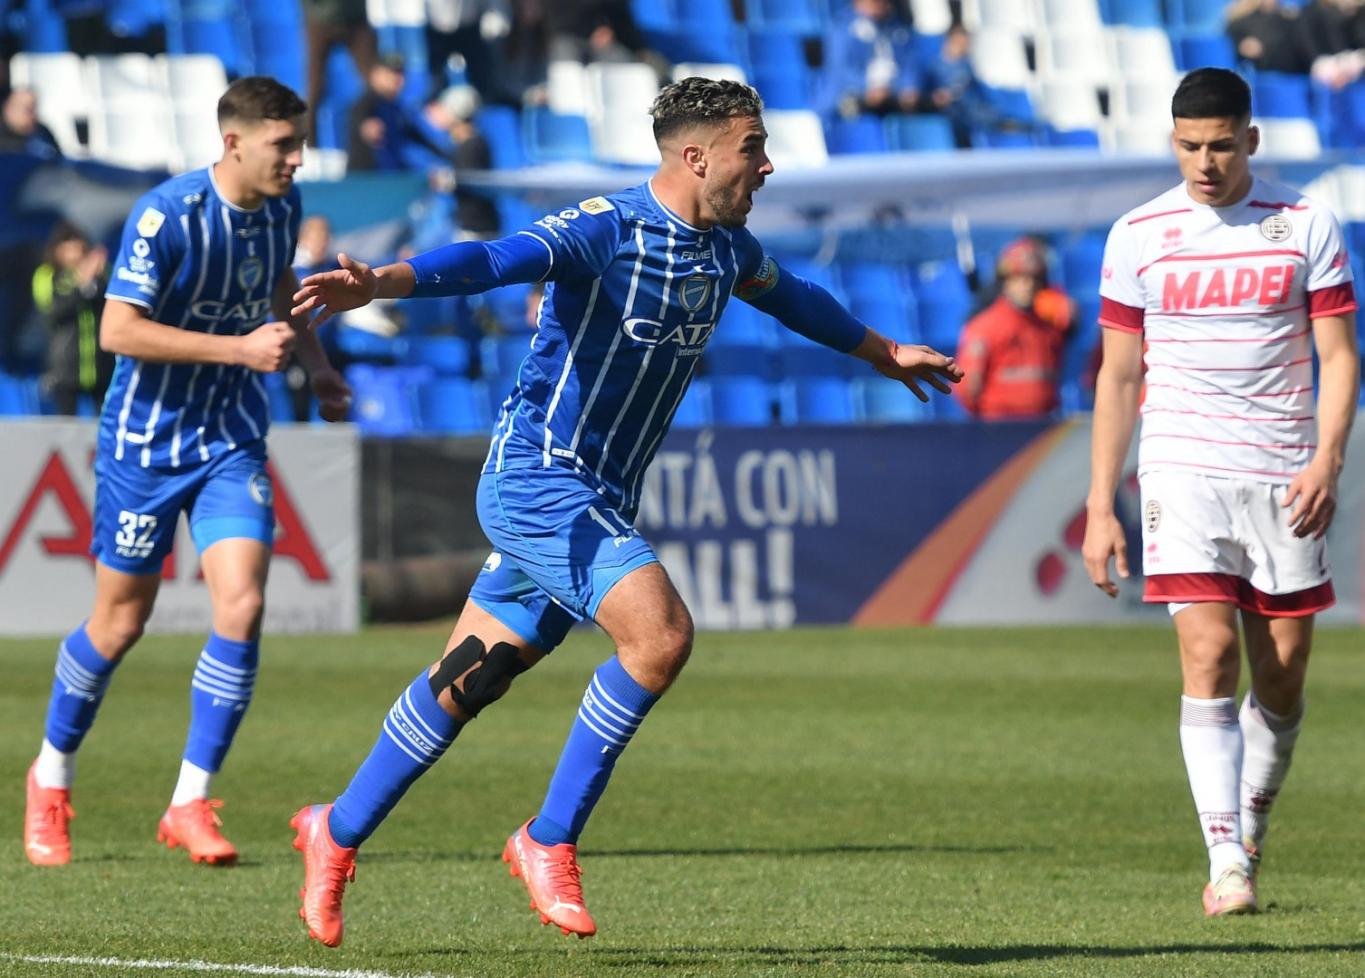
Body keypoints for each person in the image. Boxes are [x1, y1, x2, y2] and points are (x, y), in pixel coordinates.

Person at [286, 76, 962, 947]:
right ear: (696, 155)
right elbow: (497, 258)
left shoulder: (726, 249)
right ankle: (547, 838)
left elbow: (792, 295)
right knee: (660, 635)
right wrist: (385, 280)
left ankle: (332, 833)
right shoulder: (608, 229)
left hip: (597, 495)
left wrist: (880, 351)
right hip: (539, 477)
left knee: (470, 679)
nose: (765, 165)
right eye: (751, 149)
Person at [22, 76, 352, 869]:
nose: (296, 159)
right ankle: (51, 776)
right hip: (144, 444)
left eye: (299, 143)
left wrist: (317, 363)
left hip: (231, 437)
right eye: (282, 145)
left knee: (240, 602)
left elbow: (277, 292)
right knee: (119, 624)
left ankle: (189, 801)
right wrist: (240, 350)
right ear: (233, 142)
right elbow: (118, 332)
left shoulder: (277, 211)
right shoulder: (167, 215)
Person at [1083, 68, 1357, 916]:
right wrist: (1100, 505)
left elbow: (1339, 355)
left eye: (1219, 146)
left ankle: (1246, 829)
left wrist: (1326, 459)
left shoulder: (1303, 223)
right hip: (1181, 468)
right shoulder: (1138, 233)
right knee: (1207, 655)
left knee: (1280, 676)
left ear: (1251, 141)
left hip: (1282, 472)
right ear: (1173, 143)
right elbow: (1120, 376)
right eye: (1188, 147)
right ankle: (1223, 859)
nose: (1204, 163)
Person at [954, 238, 1065, 419]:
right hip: (997, 432)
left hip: (1042, 430)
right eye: (1019, 278)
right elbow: (966, 390)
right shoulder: (984, 327)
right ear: (1005, 282)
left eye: (1034, 278)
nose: (1027, 285)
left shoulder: (1048, 331)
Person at [32, 221, 114, 415]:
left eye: (80, 248)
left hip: (101, 365)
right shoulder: (47, 275)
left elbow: (114, 309)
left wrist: (96, 281)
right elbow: (52, 314)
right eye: (69, 248)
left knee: (103, 422)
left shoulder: (103, 274)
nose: (75, 254)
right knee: (66, 425)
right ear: (58, 250)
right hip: (65, 366)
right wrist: (82, 286)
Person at [821, 0, 920, 120]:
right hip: (852, 93)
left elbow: (909, 62)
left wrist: (908, 86)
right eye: (874, 3)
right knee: (852, 110)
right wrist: (868, 87)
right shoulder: (842, 28)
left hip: (891, 93)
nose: (880, 6)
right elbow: (840, 70)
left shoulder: (896, 28)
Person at [0, 88, 62, 159]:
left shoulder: (43, 132)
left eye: (35, 109)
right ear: (9, 109)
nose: (34, 115)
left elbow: (57, 159)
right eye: (28, 110)